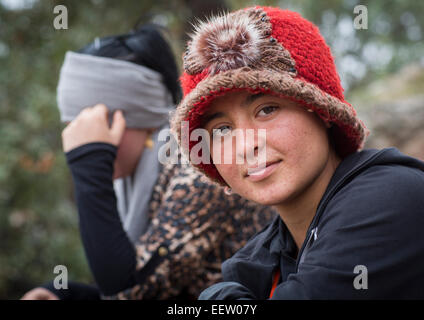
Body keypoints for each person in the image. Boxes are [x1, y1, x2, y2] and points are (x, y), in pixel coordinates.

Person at [169, 6, 424, 299]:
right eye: (223, 130)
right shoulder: (259, 258)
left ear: (323, 112)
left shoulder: (391, 199)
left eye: (267, 109)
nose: (245, 146)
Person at [21, 24, 276, 300]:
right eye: (73, 125)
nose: (76, 137)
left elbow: (130, 289)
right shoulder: (133, 179)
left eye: (89, 123)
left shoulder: (199, 167)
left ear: (133, 117)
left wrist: (89, 163)